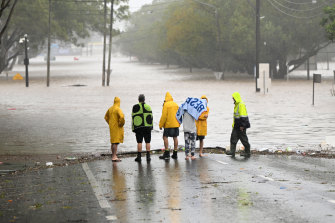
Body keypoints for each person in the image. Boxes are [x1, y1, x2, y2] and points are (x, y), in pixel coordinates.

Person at [226, 92, 251, 158]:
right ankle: (232, 151)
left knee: (244, 140)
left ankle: (247, 152)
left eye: (233, 98)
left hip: (241, 126)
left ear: (236, 98)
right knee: (233, 138)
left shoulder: (241, 104)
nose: (232, 99)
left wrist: (243, 126)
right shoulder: (237, 105)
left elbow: (244, 116)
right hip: (236, 126)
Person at [132, 94, 153, 162]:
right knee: (147, 141)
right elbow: (151, 117)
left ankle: (139, 157)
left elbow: (133, 118)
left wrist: (134, 128)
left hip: (139, 127)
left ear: (138, 99)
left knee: (139, 142)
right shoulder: (148, 107)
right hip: (147, 126)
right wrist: (151, 127)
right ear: (144, 99)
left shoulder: (135, 107)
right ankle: (148, 157)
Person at [159, 92, 180, 160]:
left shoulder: (166, 105)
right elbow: (179, 114)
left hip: (168, 124)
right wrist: (179, 123)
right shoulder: (176, 104)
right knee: (175, 137)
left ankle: (167, 152)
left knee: (165, 137)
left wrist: (161, 125)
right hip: (176, 124)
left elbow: (164, 116)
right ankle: (175, 153)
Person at [104, 97, 125, 162]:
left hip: (112, 127)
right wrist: (121, 124)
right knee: (115, 142)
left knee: (113, 142)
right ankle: (114, 156)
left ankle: (113, 155)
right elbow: (122, 117)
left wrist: (109, 123)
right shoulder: (118, 109)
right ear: (119, 102)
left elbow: (106, 117)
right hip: (117, 127)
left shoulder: (110, 109)